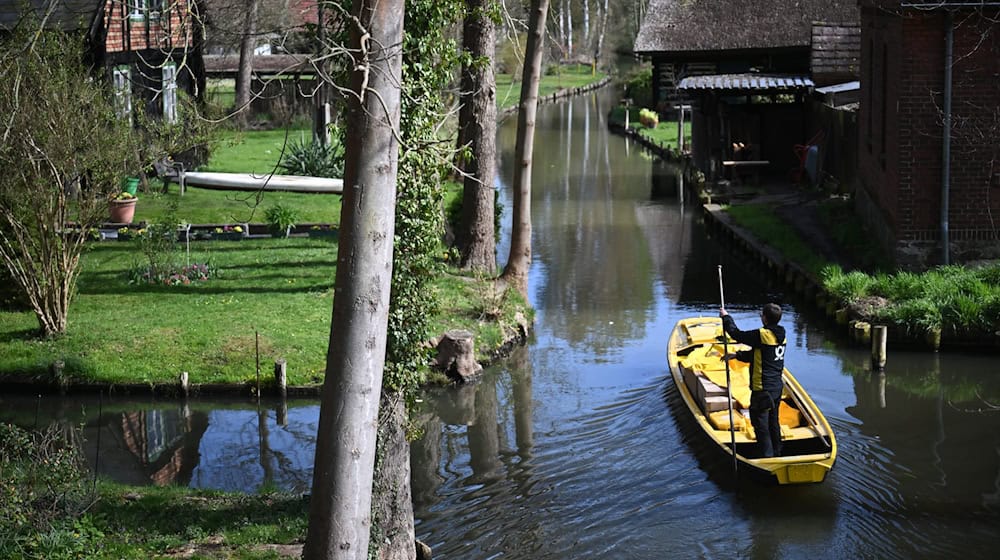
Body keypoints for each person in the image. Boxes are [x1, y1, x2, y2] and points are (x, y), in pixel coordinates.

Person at [719, 303, 787, 458]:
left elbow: (736, 334)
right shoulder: (781, 335)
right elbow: (762, 355)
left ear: (764, 318)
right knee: (773, 421)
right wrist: (737, 355)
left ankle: (767, 457)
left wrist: (726, 317)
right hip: (777, 388)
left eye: (761, 315)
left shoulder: (761, 335)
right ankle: (777, 452)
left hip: (762, 389)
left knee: (760, 423)